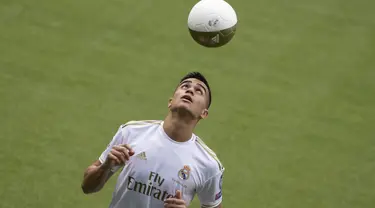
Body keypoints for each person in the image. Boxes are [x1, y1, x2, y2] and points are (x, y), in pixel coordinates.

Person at [81, 72, 224, 208]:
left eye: (199, 91)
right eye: (185, 86)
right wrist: (105, 166)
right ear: (170, 102)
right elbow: (87, 187)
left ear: (204, 113)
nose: (190, 90)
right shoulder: (132, 132)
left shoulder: (209, 165)